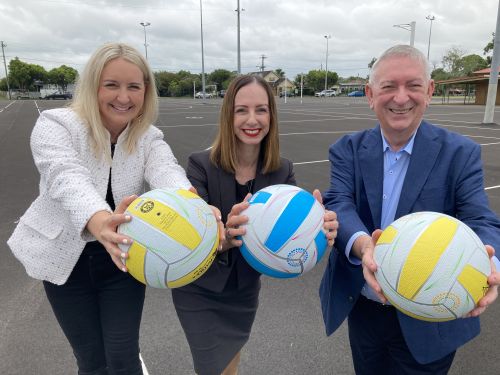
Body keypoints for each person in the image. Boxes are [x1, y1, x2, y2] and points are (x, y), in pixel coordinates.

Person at [7, 42, 196, 375]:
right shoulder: (57, 125)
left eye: (133, 86)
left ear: (145, 92)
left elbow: (168, 172)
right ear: (93, 85)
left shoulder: (147, 136)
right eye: (112, 85)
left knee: (123, 359)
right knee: (91, 362)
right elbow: (66, 177)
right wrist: (101, 221)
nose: (123, 97)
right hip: (64, 262)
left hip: (123, 261)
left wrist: (194, 208)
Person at [319, 44, 500, 374]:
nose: (400, 98)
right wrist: (365, 244)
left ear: (429, 91)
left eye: (413, 85)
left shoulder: (461, 153)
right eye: (388, 86)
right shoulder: (348, 149)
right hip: (365, 308)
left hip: (432, 314)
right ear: (371, 94)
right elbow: (339, 203)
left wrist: (489, 263)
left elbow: (480, 219)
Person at [171, 74, 338, 375]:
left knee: (231, 358)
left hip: (244, 289)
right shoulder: (200, 165)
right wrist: (222, 239)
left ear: (271, 115)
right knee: (211, 366)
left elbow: (293, 232)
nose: (252, 119)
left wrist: (318, 227)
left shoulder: (282, 169)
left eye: (261, 109)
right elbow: (191, 237)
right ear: (228, 115)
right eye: (241, 110)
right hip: (200, 287)